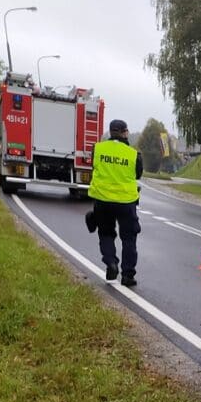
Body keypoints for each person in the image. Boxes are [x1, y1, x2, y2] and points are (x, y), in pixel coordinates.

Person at [88, 119, 143, 286]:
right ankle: (128, 275)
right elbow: (138, 175)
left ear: (111, 132)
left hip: (102, 200)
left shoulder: (98, 149)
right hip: (126, 201)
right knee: (129, 238)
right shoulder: (133, 154)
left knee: (105, 233)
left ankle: (111, 263)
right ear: (125, 132)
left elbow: (94, 167)